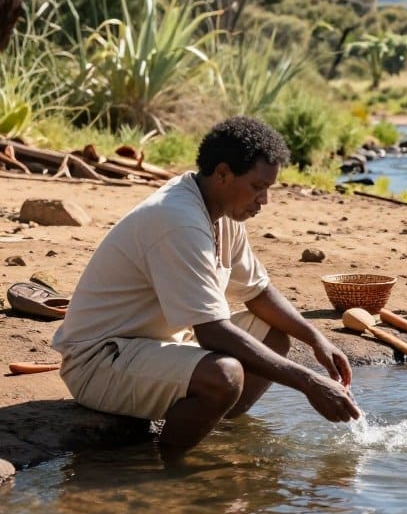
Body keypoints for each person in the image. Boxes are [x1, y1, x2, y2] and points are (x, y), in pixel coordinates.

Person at [52, 116, 361, 451]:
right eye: (258, 187)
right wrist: (308, 383)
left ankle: (210, 431)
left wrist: (316, 340)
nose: (265, 200)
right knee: (224, 377)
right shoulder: (178, 220)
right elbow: (212, 332)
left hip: (153, 347)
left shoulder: (222, 212)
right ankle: (170, 472)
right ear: (223, 173)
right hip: (99, 363)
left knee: (274, 334)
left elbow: (257, 292)